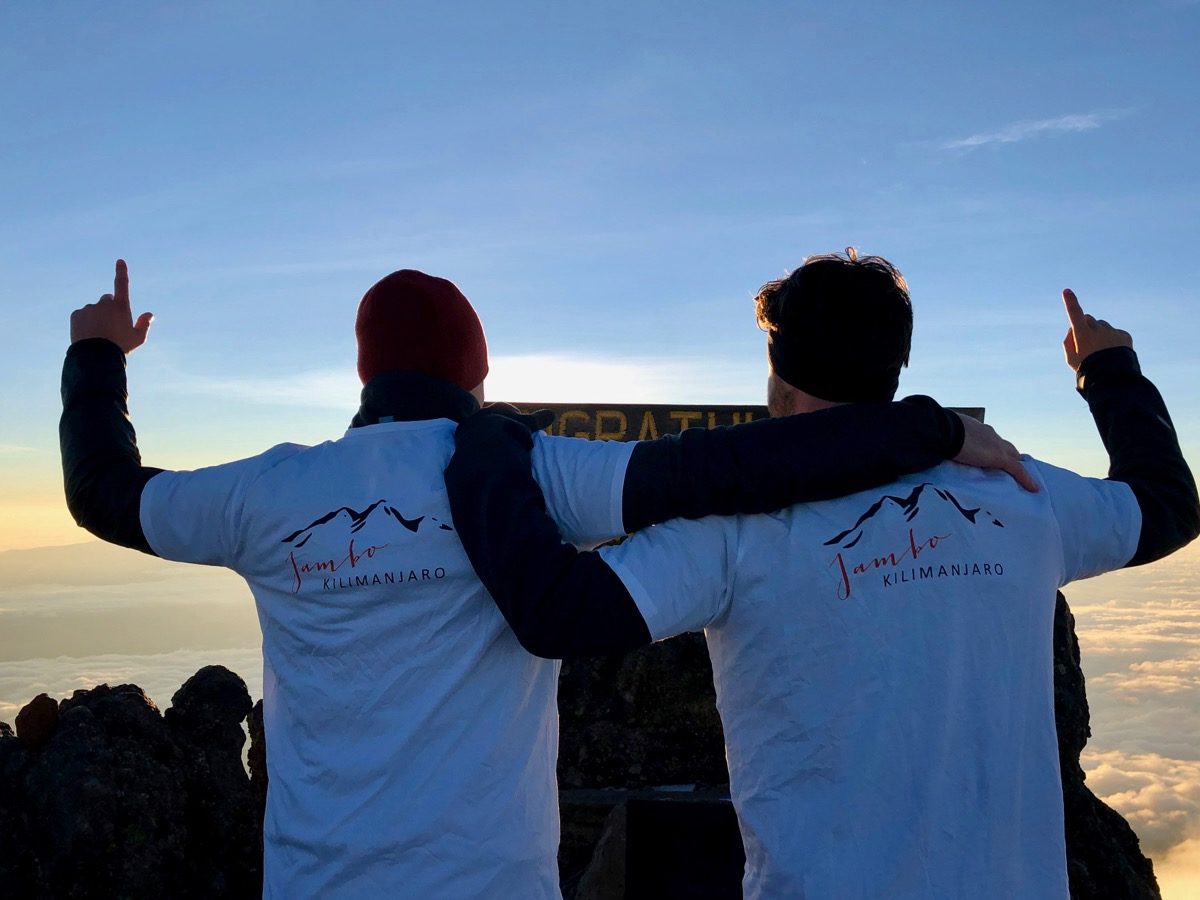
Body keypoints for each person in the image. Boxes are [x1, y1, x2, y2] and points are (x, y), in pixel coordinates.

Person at [59, 260, 1031, 897]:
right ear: (476, 373)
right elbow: (739, 470)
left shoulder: (268, 492)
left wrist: (97, 356)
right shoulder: (535, 468)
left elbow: (104, 492)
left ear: (366, 375)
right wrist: (927, 428)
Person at [445, 250, 1200, 899]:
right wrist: (1108, 369)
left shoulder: (733, 532)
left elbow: (560, 611)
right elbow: (1165, 505)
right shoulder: (1023, 492)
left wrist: (484, 451)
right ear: (896, 364)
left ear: (777, 372)